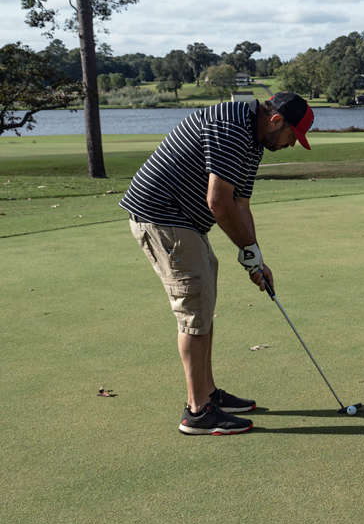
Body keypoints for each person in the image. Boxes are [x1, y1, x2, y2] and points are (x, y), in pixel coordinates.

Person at [120, 93, 314, 435]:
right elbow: (218, 202)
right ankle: (198, 412)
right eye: (292, 137)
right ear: (276, 121)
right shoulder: (232, 125)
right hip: (163, 216)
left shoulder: (254, 141)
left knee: (204, 298)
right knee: (194, 308)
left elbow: (241, 204)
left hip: (185, 221)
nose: (291, 145)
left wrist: (256, 260)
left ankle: (208, 394)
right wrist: (249, 255)